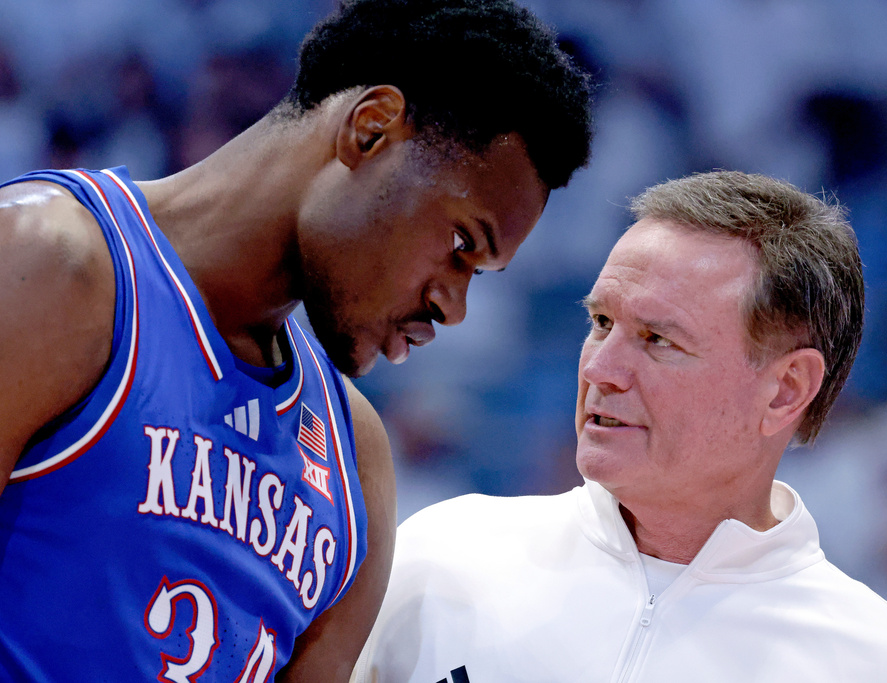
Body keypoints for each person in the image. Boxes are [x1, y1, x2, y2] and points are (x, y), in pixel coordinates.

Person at [0, 0, 593, 680]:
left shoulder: (357, 463)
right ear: (369, 130)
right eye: (462, 244)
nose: (453, 307)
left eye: (482, 274)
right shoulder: (48, 267)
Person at [353, 171, 887, 682]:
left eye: (657, 339)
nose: (601, 368)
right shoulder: (441, 557)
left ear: (785, 389)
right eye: (600, 323)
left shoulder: (883, 666)